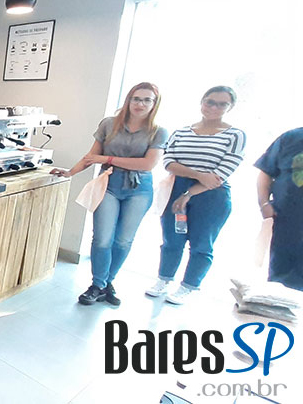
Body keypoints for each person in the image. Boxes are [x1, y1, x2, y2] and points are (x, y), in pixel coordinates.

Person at [52, 82, 167, 306]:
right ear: (128, 100)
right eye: (136, 98)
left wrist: (107, 159)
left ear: (154, 104)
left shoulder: (158, 131)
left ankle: (107, 283)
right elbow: (91, 156)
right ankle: (98, 284)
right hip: (108, 184)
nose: (140, 104)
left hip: (139, 188)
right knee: (102, 238)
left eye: (147, 100)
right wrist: (70, 172)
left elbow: (147, 164)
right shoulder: (109, 124)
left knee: (123, 241)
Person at [146, 86, 246, 304]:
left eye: (222, 104)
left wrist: (190, 192)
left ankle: (188, 286)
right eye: (210, 102)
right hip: (176, 188)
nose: (214, 107)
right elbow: (168, 162)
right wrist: (198, 175)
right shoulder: (182, 132)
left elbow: (219, 176)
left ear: (230, 107)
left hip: (211, 195)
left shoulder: (235, 135)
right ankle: (164, 279)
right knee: (172, 239)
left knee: (202, 243)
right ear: (202, 102)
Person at [255, 127, 303, 291]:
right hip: (287, 224)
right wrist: (264, 204)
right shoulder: (292, 137)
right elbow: (266, 172)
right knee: (281, 286)